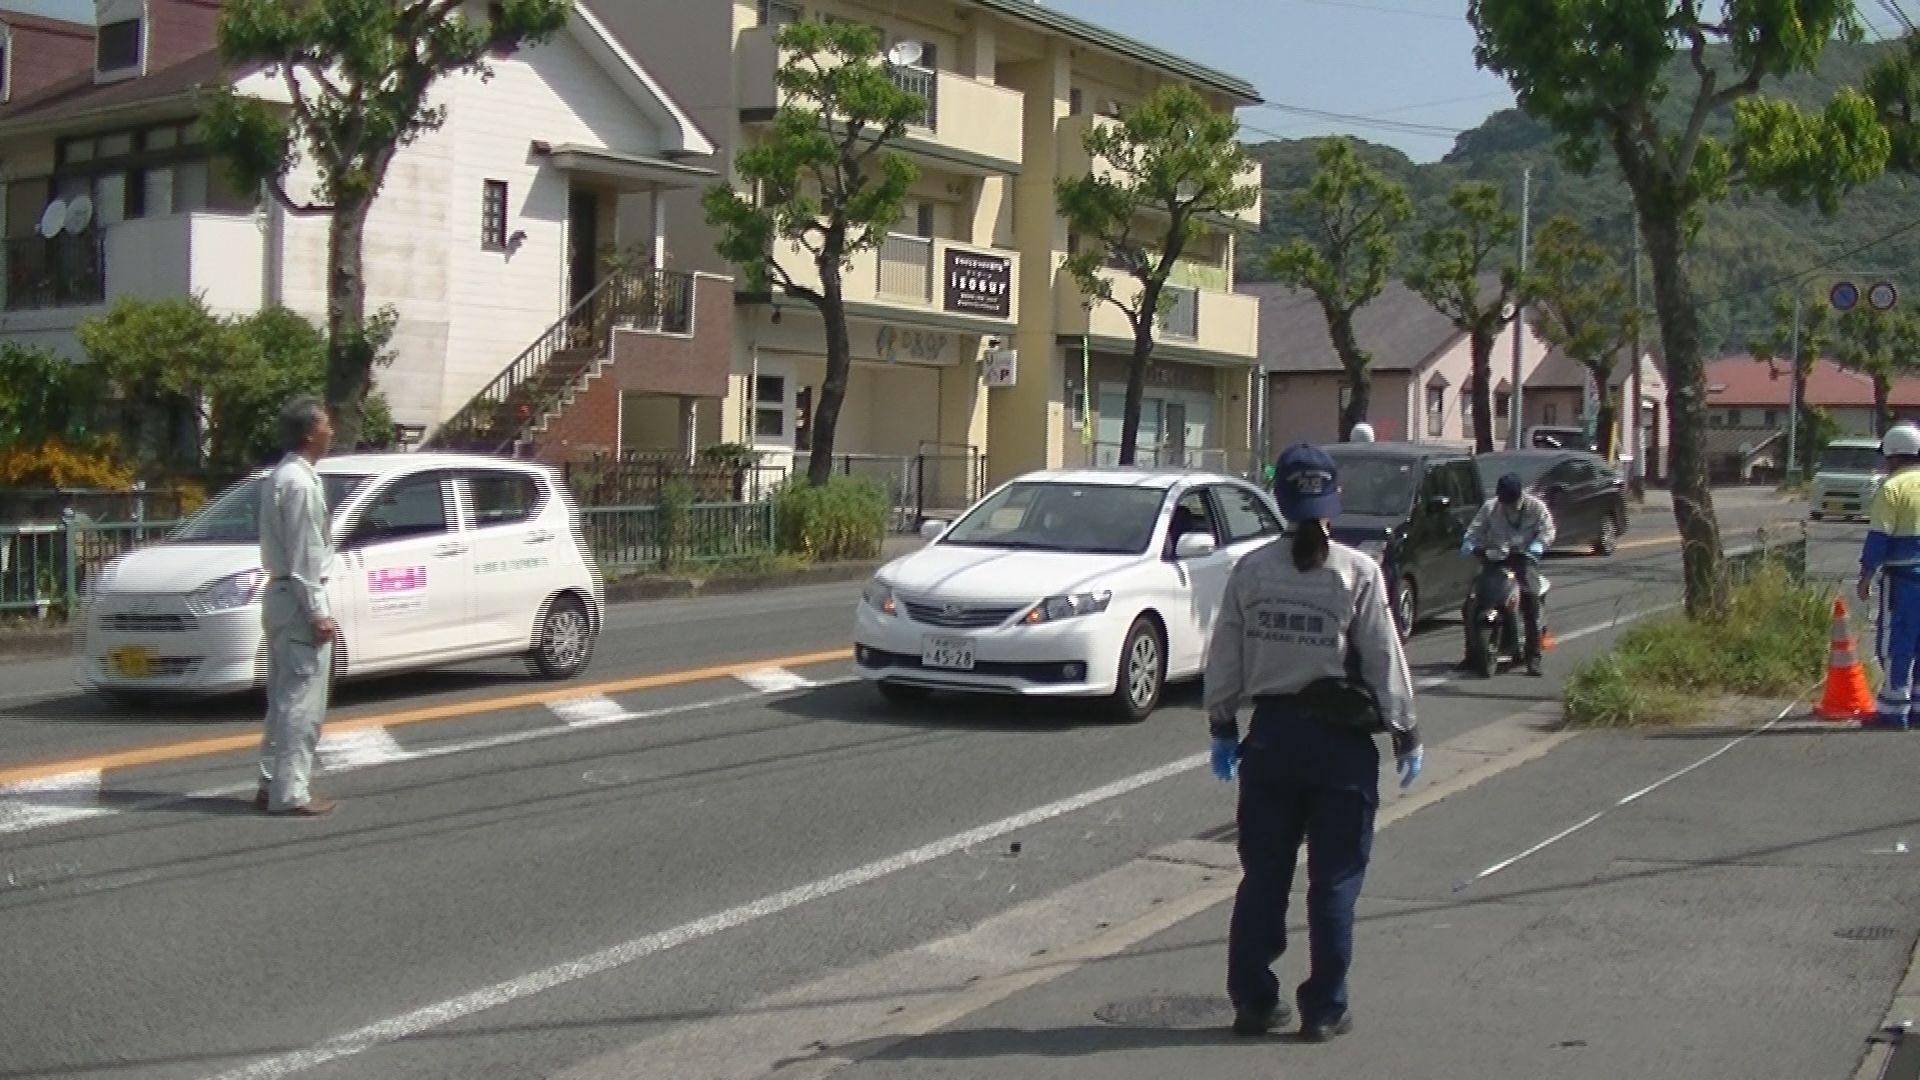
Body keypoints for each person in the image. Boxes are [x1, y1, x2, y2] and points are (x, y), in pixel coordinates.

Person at [1204, 443, 1423, 1043]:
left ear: (1280, 502)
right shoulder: (1356, 571)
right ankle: (1324, 1009)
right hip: (1340, 747)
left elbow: (1225, 655)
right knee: (1334, 881)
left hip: (1271, 741)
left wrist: (1222, 726)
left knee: (1263, 876)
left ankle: (1252, 1001)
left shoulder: (1250, 570)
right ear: (1334, 499)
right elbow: (1383, 659)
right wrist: (1405, 732)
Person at [255, 395, 339, 817]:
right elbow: (307, 555)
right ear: (309, 432)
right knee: (301, 702)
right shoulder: (301, 483)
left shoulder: (281, 475)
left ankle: (270, 781)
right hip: (298, 598)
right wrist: (318, 613)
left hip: (280, 597)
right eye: (326, 424)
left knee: (282, 697)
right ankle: (290, 793)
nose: (332, 431)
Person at [1460, 472, 1556, 677]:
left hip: (1524, 558)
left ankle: (1533, 657)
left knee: (1530, 599)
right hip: (1495, 558)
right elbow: (1475, 530)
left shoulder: (1535, 508)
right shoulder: (1491, 507)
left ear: (1519, 495)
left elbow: (1547, 530)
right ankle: (1471, 653)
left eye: (1509, 500)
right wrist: (1469, 543)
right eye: (1503, 500)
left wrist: (1538, 545)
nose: (1506, 505)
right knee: (1472, 602)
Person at [1859, 423, 1920, 730]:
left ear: (1892, 454)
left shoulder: (1892, 487)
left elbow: (1879, 537)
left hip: (1903, 577)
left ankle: (1893, 710)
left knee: (1897, 642)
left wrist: (1866, 573)